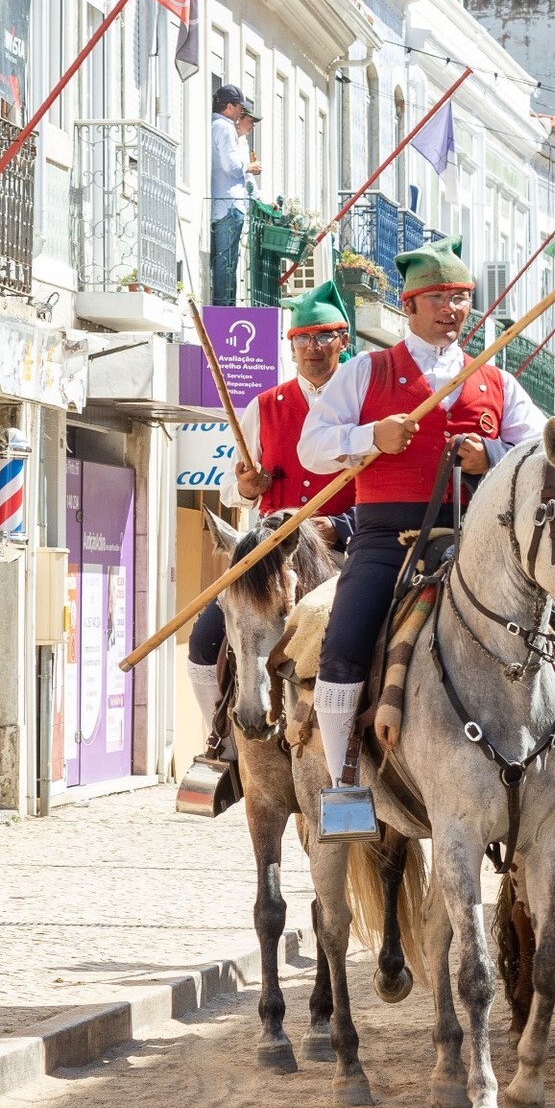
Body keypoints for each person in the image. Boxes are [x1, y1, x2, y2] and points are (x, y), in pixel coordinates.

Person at [296, 236, 548, 819]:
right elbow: (312, 447)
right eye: (438, 297)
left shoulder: (497, 380)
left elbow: (537, 449)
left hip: (479, 539)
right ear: (409, 306)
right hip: (389, 540)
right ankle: (344, 786)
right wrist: (368, 439)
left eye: (460, 298)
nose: (451, 309)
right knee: (343, 646)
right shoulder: (366, 371)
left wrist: (494, 451)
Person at [184, 279, 360, 769]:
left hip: (345, 549)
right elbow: (227, 488)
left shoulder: (365, 403)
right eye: (302, 339)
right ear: (291, 346)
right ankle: (225, 746)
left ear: (342, 341)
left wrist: (341, 526)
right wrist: (246, 487)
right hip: (269, 557)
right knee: (203, 644)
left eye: (323, 337)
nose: (312, 349)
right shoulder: (266, 406)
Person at [208, 84, 258, 308]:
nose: (240, 113)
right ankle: (224, 309)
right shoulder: (225, 127)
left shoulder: (217, 126)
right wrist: (249, 167)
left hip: (225, 202)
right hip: (229, 203)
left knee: (226, 259)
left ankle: (225, 306)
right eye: (239, 108)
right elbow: (231, 167)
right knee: (227, 261)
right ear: (229, 107)